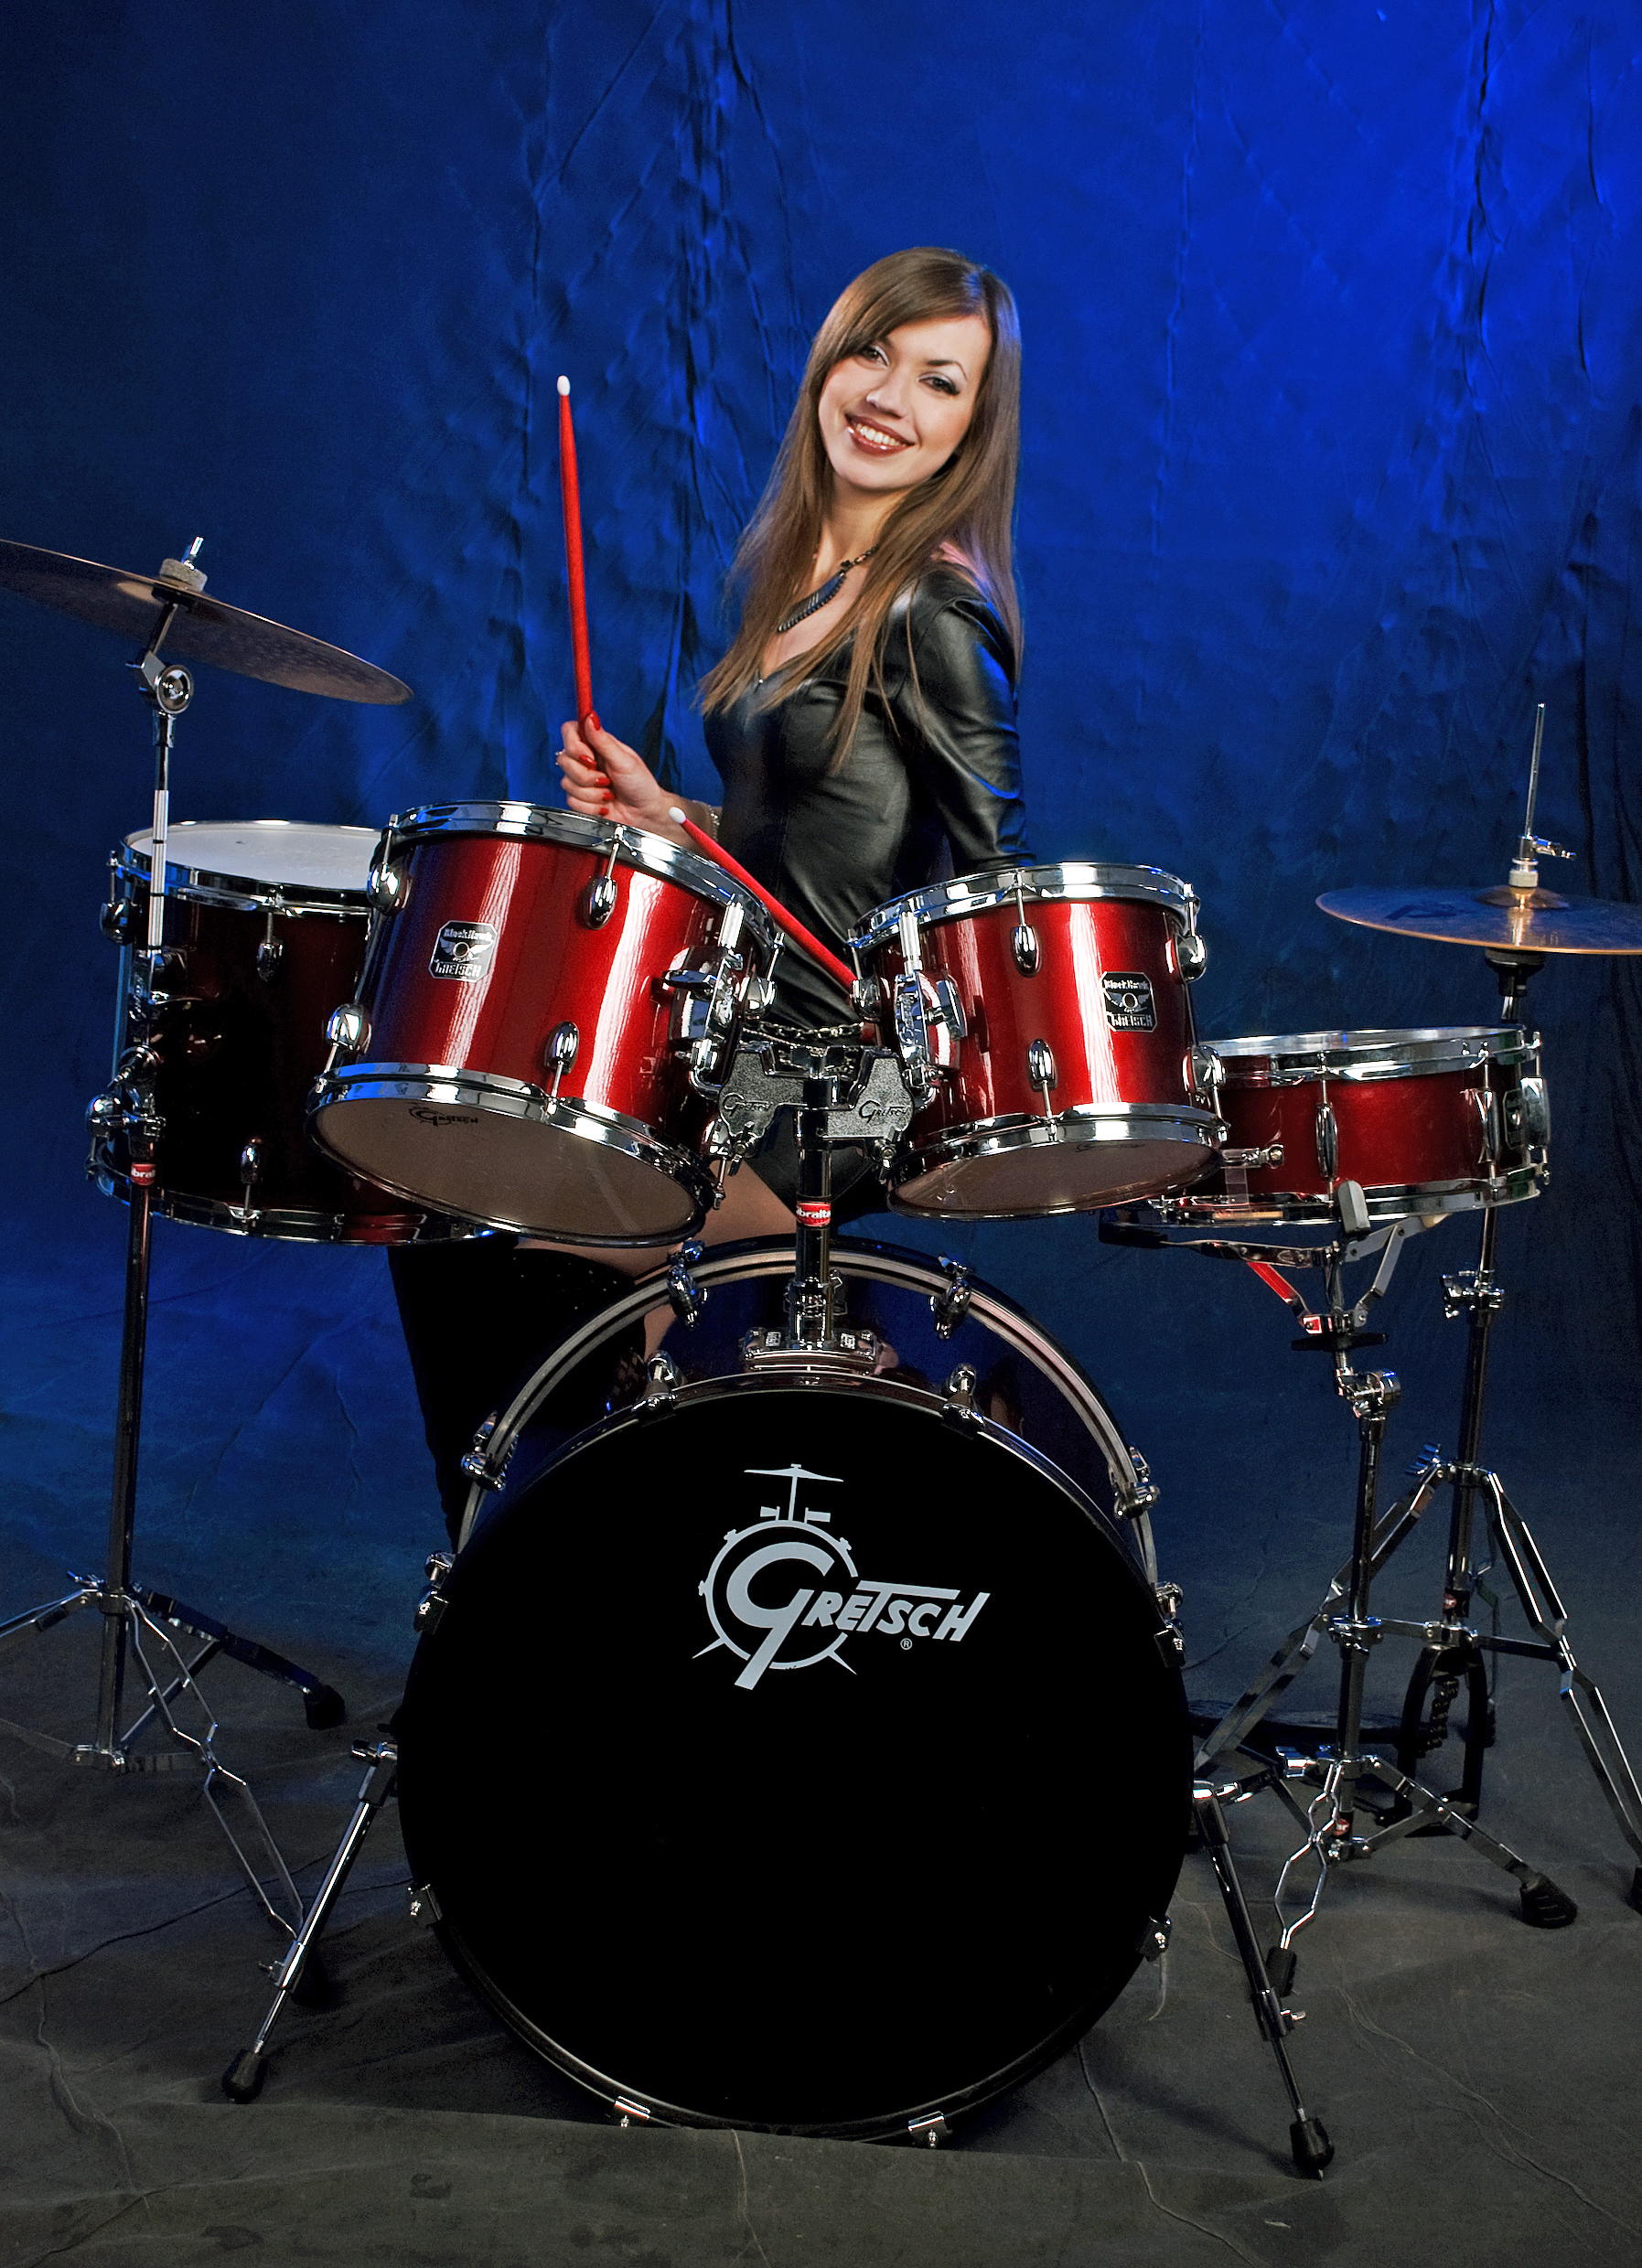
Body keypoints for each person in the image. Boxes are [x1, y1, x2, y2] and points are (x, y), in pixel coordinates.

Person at [392, 246, 1032, 1535]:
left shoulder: (935, 619)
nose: (889, 396)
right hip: (737, 1028)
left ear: (974, 427)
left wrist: (897, 1058)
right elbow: (793, 839)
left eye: (939, 380)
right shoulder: (806, 579)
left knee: (552, 1242)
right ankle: (538, 1565)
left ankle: (693, 1514)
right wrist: (664, 815)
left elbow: (990, 897)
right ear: (829, 362)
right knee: (458, 1209)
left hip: (832, 1070)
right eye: (873, 353)